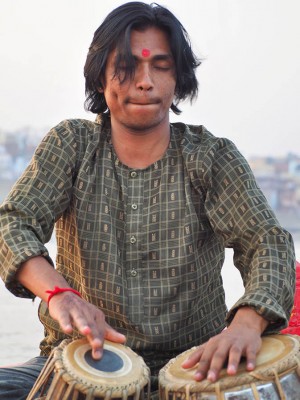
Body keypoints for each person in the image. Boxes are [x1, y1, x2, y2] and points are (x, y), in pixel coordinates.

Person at [0, 2, 296, 399]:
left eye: (161, 65)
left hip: (195, 368)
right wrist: (59, 294)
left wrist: (245, 324)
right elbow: (13, 223)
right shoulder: (72, 145)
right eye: (127, 65)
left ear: (178, 79)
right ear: (101, 75)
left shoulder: (210, 157)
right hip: (82, 363)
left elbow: (267, 243)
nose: (144, 81)